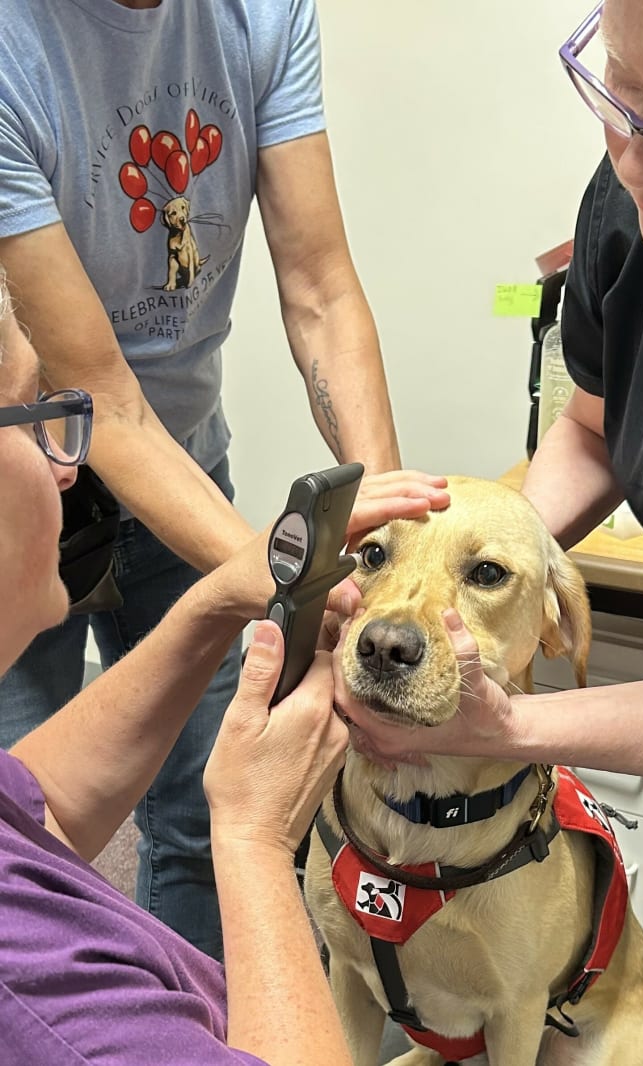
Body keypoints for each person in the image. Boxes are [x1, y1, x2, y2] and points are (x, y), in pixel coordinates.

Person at [333, 0, 643, 1046]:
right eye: (620, 89)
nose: (633, 161)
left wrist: (501, 727)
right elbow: (590, 432)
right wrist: (464, 569)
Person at [0, 0, 401, 958]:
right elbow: (103, 399)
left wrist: (384, 540)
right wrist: (298, 577)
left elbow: (320, 286)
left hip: (186, 457)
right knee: (27, 837)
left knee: (214, 807)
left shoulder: (263, 11)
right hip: (31, 477)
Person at [0, 281, 449, 1064]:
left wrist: (209, 605)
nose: (67, 467)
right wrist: (255, 839)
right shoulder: (46, 999)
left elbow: (38, 815)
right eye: (31, 416)